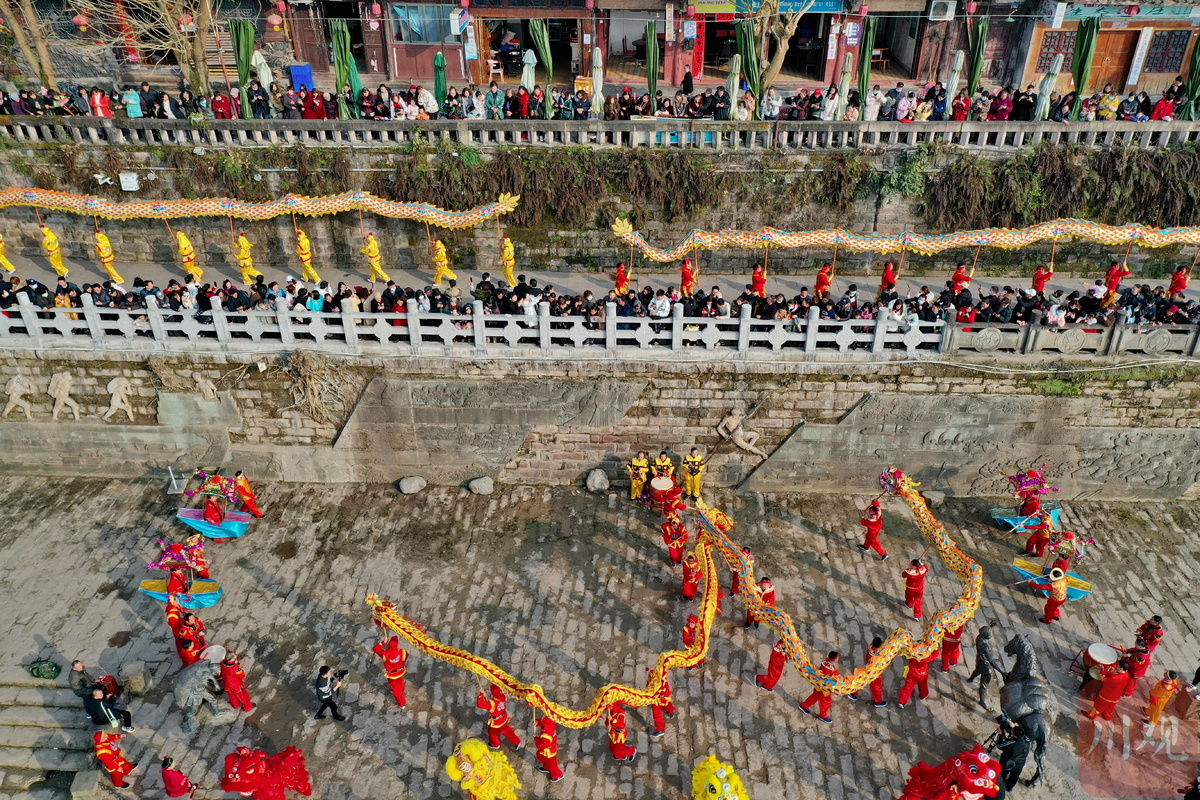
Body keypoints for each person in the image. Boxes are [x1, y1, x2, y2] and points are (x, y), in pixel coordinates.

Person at [966, 625, 1004, 710]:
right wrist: (1001, 671)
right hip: (986, 666)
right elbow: (991, 661)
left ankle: (971, 679)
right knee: (984, 685)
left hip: (979, 660)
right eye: (989, 634)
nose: (991, 635)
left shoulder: (978, 637)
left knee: (977, 670)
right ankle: (982, 701)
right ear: (986, 636)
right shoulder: (985, 647)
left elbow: (985, 631)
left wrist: (990, 627)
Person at [992, 716, 1029, 800]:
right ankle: (1009, 787)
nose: (1011, 733)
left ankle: (1000, 787)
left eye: (1012, 733)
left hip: (1008, 763)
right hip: (1020, 764)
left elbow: (1000, 745)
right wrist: (1014, 726)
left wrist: (1001, 735)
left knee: (1002, 775)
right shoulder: (1026, 740)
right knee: (1014, 776)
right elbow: (1020, 732)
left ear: (1014, 736)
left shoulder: (1012, 744)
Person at [476, 684, 521, 749]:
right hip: (503, 717)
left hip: (496, 722)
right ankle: (517, 742)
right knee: (507, 731)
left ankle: (495, 744)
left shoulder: (492, 703)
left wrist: (481, 695)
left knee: (492, 734)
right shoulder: (503, 697)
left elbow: (480, 704)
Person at [799, 651, 839, 723]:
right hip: (824, 688)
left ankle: (804, 706)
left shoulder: (825, 663)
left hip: (819, 685)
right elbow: (829, 680)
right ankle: (823, 716)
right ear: (834, 659)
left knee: (815, 696)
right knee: (827, 701)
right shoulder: (828, 669)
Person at [373, 634, 408, 709]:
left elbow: (375, 649)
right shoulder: (403, 652)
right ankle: (401, 691)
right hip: (400, 671)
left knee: (395, 690)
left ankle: (402, 703)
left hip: (392, 675)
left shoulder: (384, 653)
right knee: (400, 682)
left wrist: (383, 642)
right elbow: (406, 657)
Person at [858, 636, 887, 707]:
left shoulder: (871, 647)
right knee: (877, 687)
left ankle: (853, 693)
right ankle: (878, 702)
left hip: (868, 668)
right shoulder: (876, 654)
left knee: (860, 681)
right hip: (873, 672)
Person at [534, 715, 563, 781]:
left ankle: (557, 775)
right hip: (549, 748)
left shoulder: (545, 735)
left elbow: (540, 745)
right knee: (540, 756)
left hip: (548, 751)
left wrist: (536, 738)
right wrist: (537, 722)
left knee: (552, 765)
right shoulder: (550, 723)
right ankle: (547, 767)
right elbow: (543, 722)